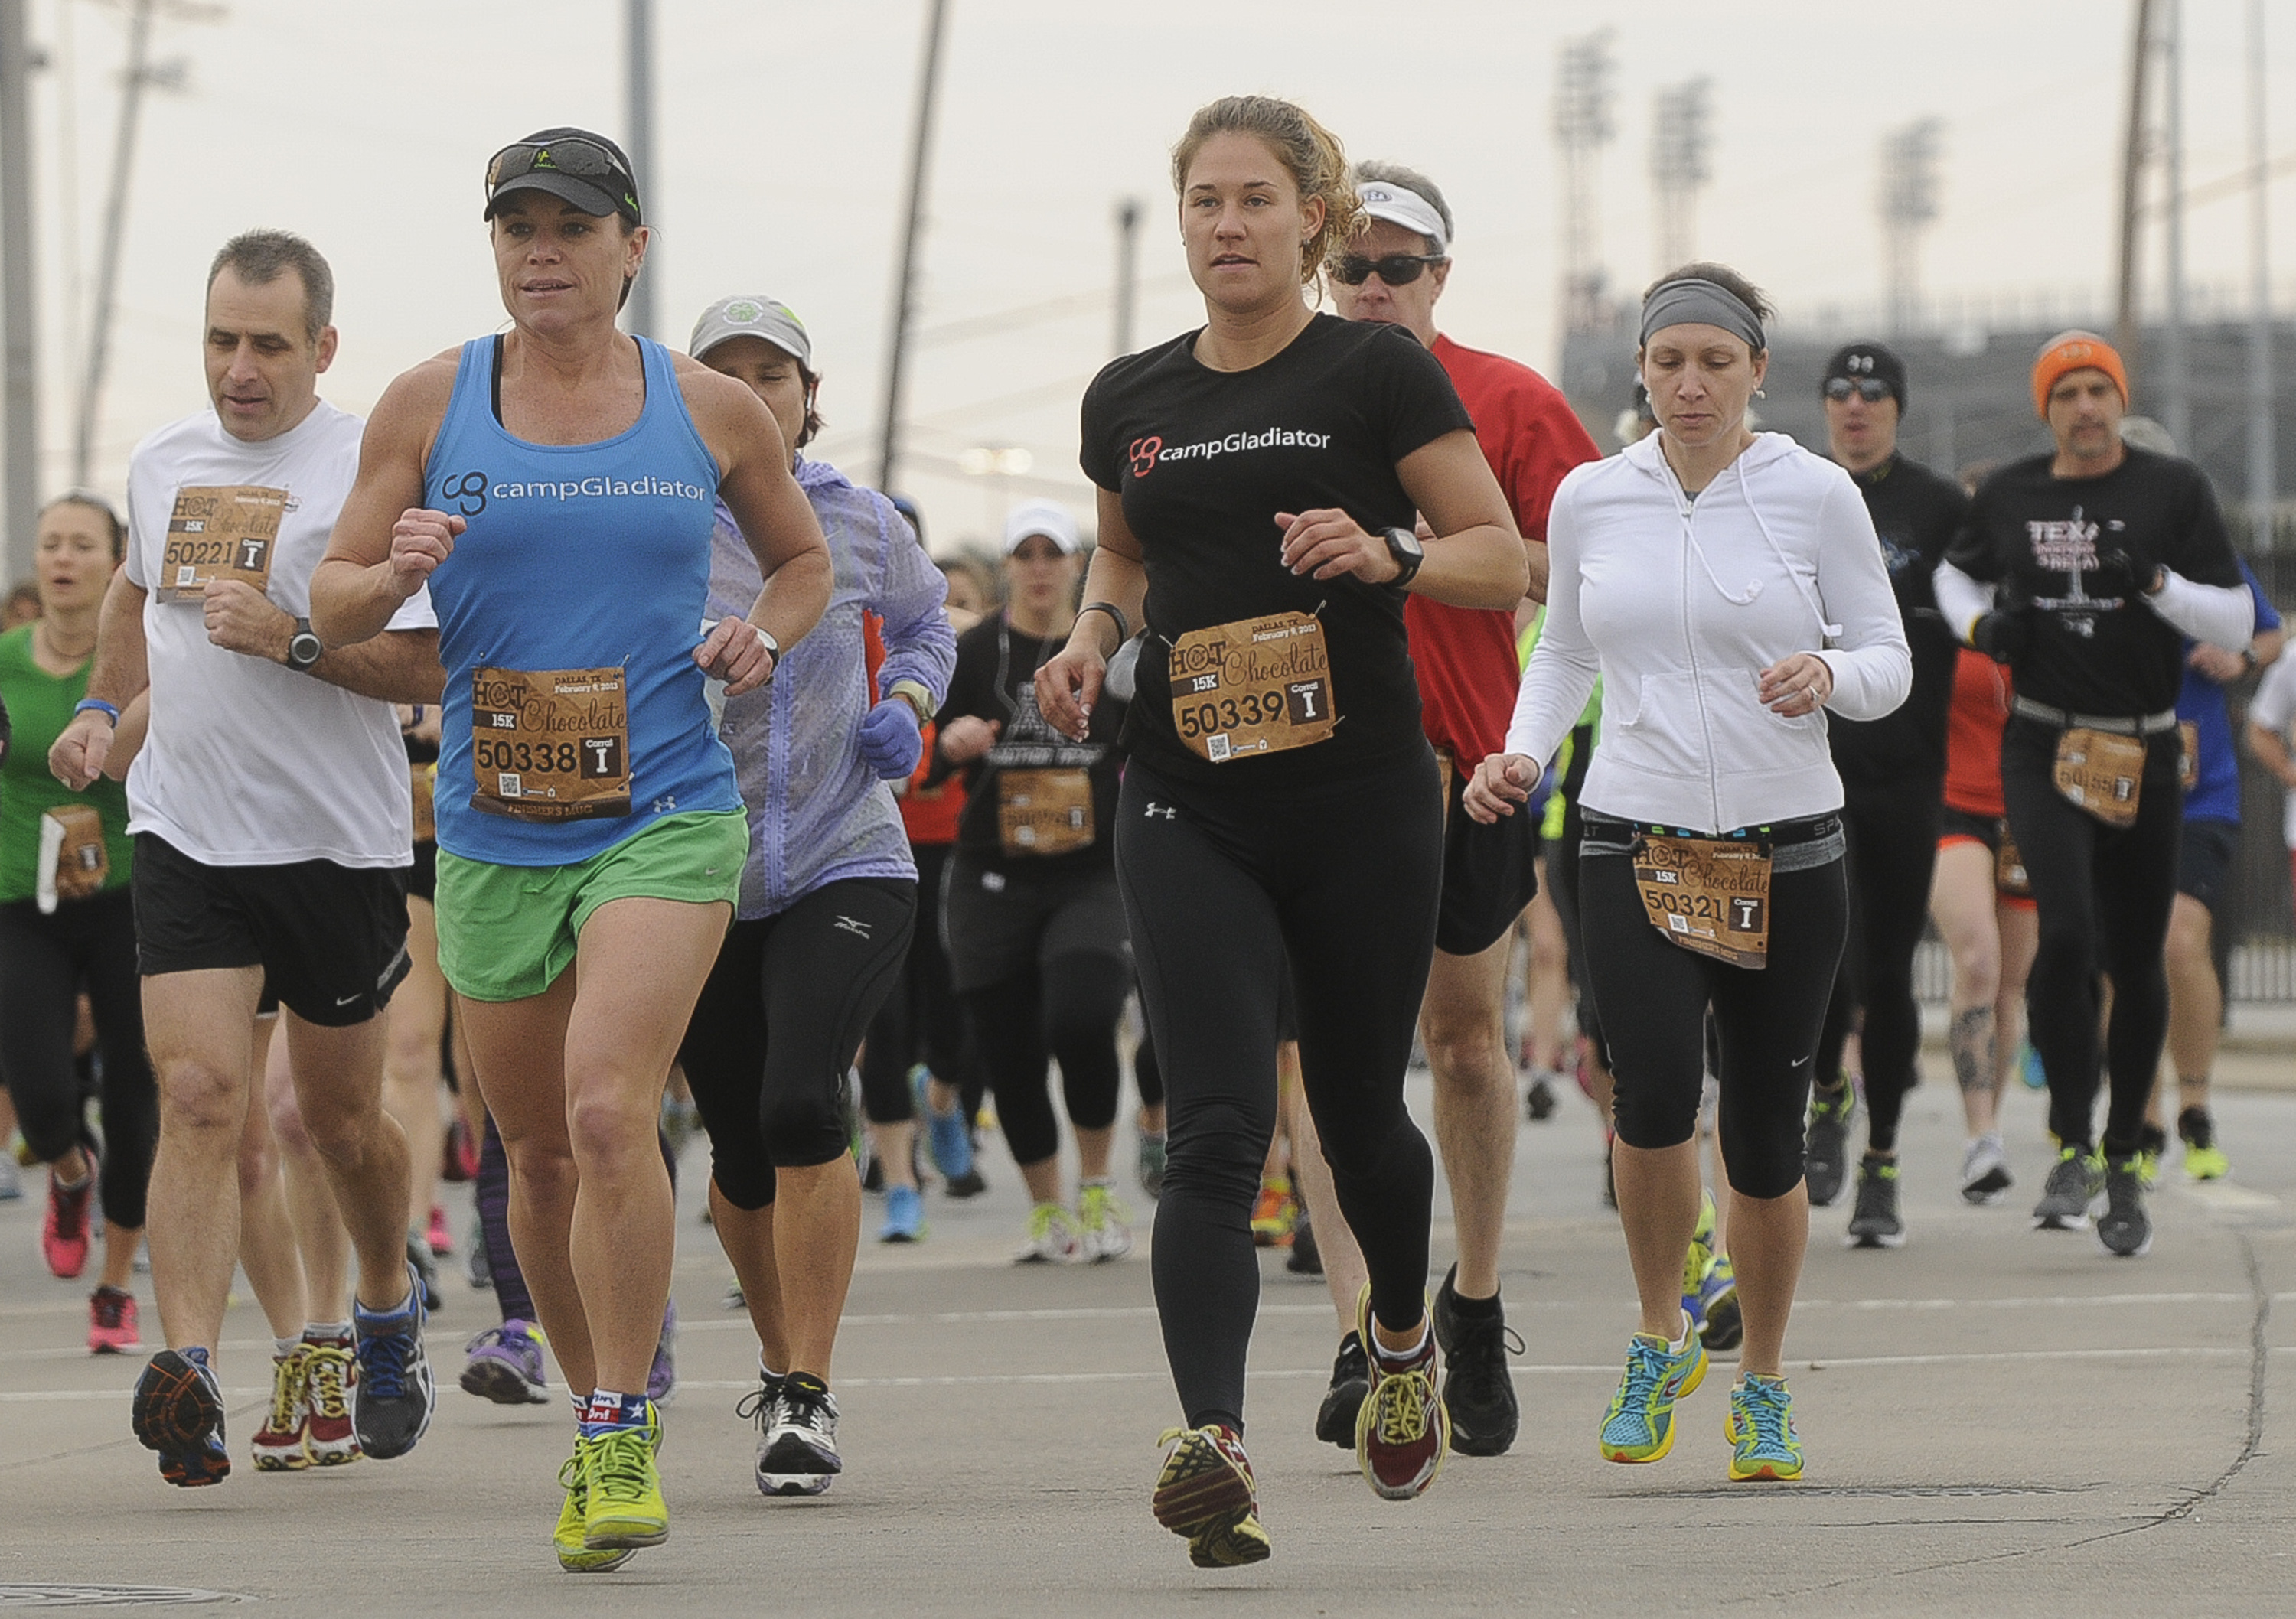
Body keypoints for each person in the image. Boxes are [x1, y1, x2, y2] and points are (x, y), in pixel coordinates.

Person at [308, 130, 830, 1570]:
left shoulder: (712, 406)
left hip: (663, 812)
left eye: (573, 225)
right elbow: (335, 602)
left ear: (631, 247)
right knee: (533, 1152)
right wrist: (394, 569)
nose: (544, 249)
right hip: (490, 827)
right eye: (519, 226)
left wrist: (760, 636)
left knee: (611, 1111)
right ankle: (590, 1385)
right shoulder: (430, 400)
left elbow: (802, 564)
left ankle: (615, 1422)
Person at [1039, 94, 1527, 1563]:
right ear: (1181, 220)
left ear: (1311, 219)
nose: (1229, 225)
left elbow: (1498, 559)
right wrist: (1090, 639)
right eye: (1206, 202)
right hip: (1186, 793)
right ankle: (1214, 1440)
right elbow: (1125, 546)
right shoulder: (1128, 395)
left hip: (1363, 799)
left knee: (1366, 1120)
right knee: (1214, 1128)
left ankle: (1397, 1341)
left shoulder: (1372, 368)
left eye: (1256, 200)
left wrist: (1387, 551)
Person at [1469, 262, 1911, 1483]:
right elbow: (1559, 654)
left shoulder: (1816, 495)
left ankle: (1762, 1382)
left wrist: (1830, 675)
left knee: (1767, 1135)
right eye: (1670, 363)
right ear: (1643, 375)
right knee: (1653, 1095)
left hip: (1788, 840)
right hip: (1634, 831)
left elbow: (1890, 658)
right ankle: (1661, 1334)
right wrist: (1519, 753)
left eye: (1717, 362)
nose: (1692, 384)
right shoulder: (1588, 499)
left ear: (1759, 371)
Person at [47, 230, 445, 1487]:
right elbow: (134, 599)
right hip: (187, 831)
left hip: (336, 841)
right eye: (222, 338)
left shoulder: (368, 467)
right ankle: (193, 1376)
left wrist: (293, 640)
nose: (240, 367)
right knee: (204, 1097)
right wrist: (106, 716)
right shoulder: (163, 462)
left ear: (322, 348)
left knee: (336, 1122)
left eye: (268, 343)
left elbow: (428, 667)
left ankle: (385, 1300)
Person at [1287, 159, 1596, 1459]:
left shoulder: (1509, 400)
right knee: (1322, 1056)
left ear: (1440, 279)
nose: (1370, 287)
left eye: (1395, 267)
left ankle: (1471, 1299)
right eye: (1351, 264)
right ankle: (1368, 1321)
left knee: (1465, 1043)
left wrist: (1427, 541)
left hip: (1462, 759)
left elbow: (1583, 571)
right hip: (1298, 758)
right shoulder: (1272, 391)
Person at [673, 292, 953, 1494]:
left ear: (806, 393)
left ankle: (812, 1389)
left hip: (849, 853)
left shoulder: (861, 521)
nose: (755, 392)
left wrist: (910, 706)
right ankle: (779, 1368)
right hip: (694, 872)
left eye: (773, 373)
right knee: (738, 1147)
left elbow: (930, 621)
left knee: (801, 1103)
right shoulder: (664, 526)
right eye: (725, 374)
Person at [1936, 331, 2252, 1257]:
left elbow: (2235, 615)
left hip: (2146, 749)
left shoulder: (2173, 489)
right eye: (2067, 392)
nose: (2084, 407)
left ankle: (2124, 1155)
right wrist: (1985, 625)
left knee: (2137, 951)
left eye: (2097, 390)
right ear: (2048, 409)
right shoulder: (2013, 493)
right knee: (2064, 933)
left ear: (2119, 400)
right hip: (2043, 739)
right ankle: (2071, 1139)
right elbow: (1954, 572)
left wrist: (2155, 584)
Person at [1799, 341, 1967, 1248]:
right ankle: (1827, 1096)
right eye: (1840, 392)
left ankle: (1885, 1158)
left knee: (1889, 972)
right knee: (1821, 955)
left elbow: (1990, 597)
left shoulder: (1939, 509)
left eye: (1873, 393)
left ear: (1897, 407)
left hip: (1905, 771)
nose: (1856, 407)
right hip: (1810, 767)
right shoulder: (1800, 492)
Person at [937, 498, 1134, 1263]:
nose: (1043, 566)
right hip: (994, 872)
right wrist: (951, 740)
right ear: (1008, 566)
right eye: (1028, 553)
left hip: (1090, 871)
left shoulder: (1110, 655)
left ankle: (1095, 1186)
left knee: (1082, 1018)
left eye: (1055, 551)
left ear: (1078, 564)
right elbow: (926, 753)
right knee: (1008, 1046)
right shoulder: (979, 651)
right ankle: (1049, 1209)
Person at [0, 491, 156, 1352]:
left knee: (136, 1094)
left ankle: (113, 1282)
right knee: (40, 1089)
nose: (62, 557)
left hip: (132, 894)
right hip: (21, 899)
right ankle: (66, 1169)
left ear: (115, 561)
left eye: (81, 544)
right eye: (49, 542)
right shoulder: (3, 661)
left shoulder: (139, 656)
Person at [2151, 546, 2278, 1179]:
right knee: (2126, 950)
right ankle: (2138, 1118)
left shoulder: (2203, 551)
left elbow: (2272, 630)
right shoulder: (2081, 549)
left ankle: (2194, 1105)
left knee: (2179, 939)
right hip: (2114, 783)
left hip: (2203, 793)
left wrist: (2241, 657)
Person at [1928, 645, 2039, 1201]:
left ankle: (1987, 1135)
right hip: (1952, 804)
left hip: (2030, 809)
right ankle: (1980, 1134)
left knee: (2008, 986)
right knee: (1978, 961)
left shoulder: (2038, 599)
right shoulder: (1949, 604)